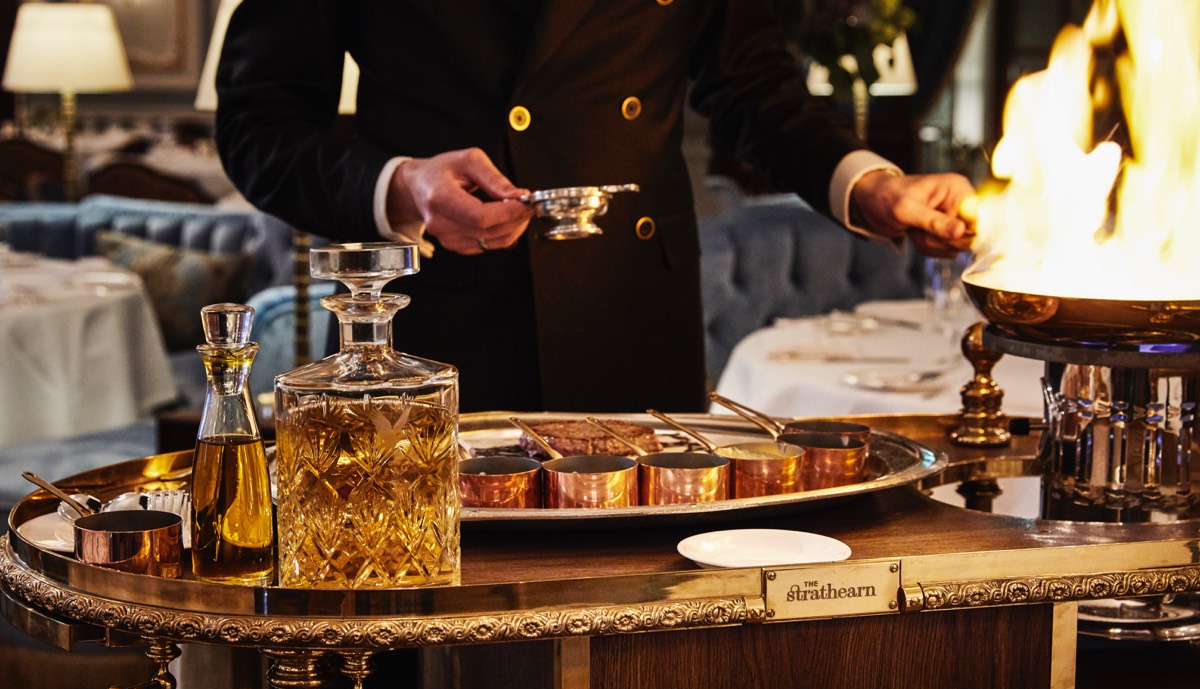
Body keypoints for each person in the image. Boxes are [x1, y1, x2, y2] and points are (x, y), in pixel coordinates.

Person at [215, 0, 974, 414]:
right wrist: (401, 185)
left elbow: (750, 84)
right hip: (440, 338)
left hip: (629, 327)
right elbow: (258, 124)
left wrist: (866, 183)